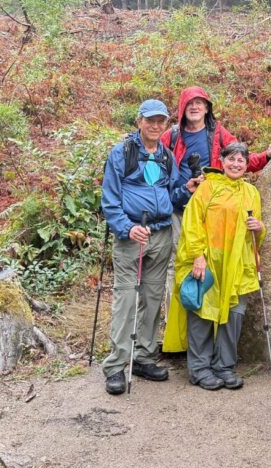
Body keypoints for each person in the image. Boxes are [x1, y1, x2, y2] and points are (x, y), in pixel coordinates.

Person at [160, 86, 271, 318]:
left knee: (209, 261)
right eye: (190, 103)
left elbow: (238, 159)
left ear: (207, 108)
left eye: (199, 103)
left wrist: (265, 156)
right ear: (182, 108)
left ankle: (206, 314)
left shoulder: (217, 133)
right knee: (177, 263)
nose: (194, 107)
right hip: (179, 207)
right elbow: (155, 161)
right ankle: (176, 319)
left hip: (211, 212)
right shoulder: (172, 136)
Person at [161, 142, 265, 390]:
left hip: (237, 263)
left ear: (246, 165)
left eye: (241, 160)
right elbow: (192, 223)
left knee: (234, 315)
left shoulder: (251, 192)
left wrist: (260, 228)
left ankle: (224, 366)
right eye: (231, 159)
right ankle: (199, 369)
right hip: (208, 260)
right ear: (222, 161)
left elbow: (255, 234)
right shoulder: (207, 188)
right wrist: (197, 255)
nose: (236, 164)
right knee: (202, 312)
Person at [100, 99, 179, 395]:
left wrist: (187, 189)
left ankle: (143, 357)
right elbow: (110, 199)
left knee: (152, 297)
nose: (156, 126)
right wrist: (127, 228)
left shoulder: (166, 155)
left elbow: (172, 192)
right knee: (126, 300)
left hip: (161, 233)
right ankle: (116, 365)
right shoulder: (122, 153)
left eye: (161, 121)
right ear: (139, 122)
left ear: (166, 124)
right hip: (132, 237)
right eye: (150, 120)